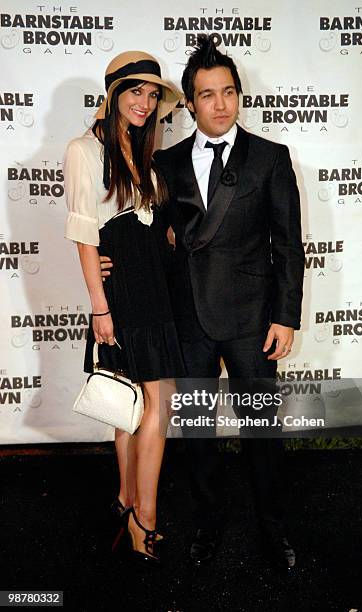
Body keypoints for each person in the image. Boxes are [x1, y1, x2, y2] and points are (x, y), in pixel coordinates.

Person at [102, 35, 304, 570]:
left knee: (262, 435)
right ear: (188, 103)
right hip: (185, 320)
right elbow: (141, 231)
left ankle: (272, 527)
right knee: (196, 434)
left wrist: (285, 317)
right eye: (207, 95)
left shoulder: (270, 158)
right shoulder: (163, 164)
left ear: (239, 96)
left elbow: (287, 244)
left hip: (250, 321)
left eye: (229, 92)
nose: (220, 105)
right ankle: (209, 520)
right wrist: (109, 262)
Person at [64, 51, 185, 567]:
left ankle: (127, 499)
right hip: (122, 299)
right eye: (135, 91)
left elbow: (156, 229)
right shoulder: (84, 150)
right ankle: (146, 521)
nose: (145, 101)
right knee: (154, 406)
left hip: (156, 289)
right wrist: (99, 305)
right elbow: (83, 233)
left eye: (153, 93)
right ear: (113, 95)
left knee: (134, 407)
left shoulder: (147, 155)